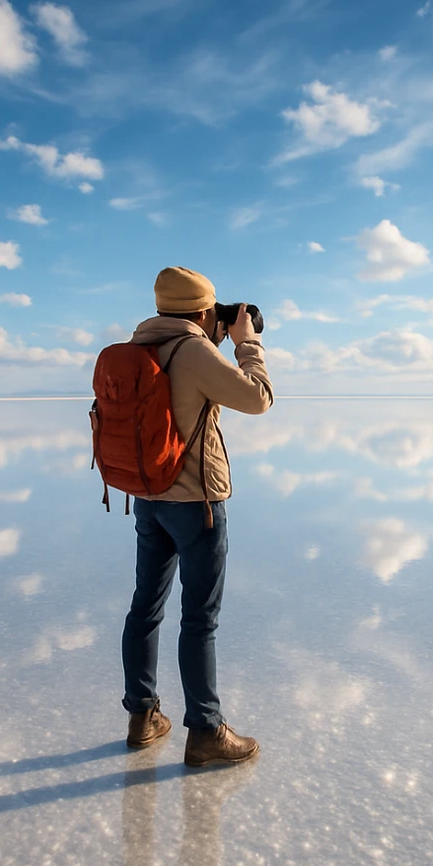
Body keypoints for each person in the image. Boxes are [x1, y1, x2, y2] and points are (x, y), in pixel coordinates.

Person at [122, 266, 273, 766]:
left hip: (149, 497)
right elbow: (258, 398)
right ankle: (206, 731)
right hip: (197, 506)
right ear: (204, 312)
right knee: (199, 619)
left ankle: (143, 717)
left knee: (146, 606)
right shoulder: (193, 351)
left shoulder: (142, 345)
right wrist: (246, 343)